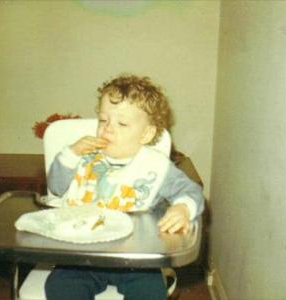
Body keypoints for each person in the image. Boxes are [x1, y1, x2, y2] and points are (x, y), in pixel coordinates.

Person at [45, 74, 204, 300]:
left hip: (136, 259)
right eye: (103, 120)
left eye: (121, 123)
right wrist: (70, 155)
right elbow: (57, 188)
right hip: (81, 258)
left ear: (146, 134)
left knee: (150, 292)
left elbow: (191, 191)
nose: (108, 128)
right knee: (60, 286)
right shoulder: (84, 156)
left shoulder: (154, 166)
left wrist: (183, 209)